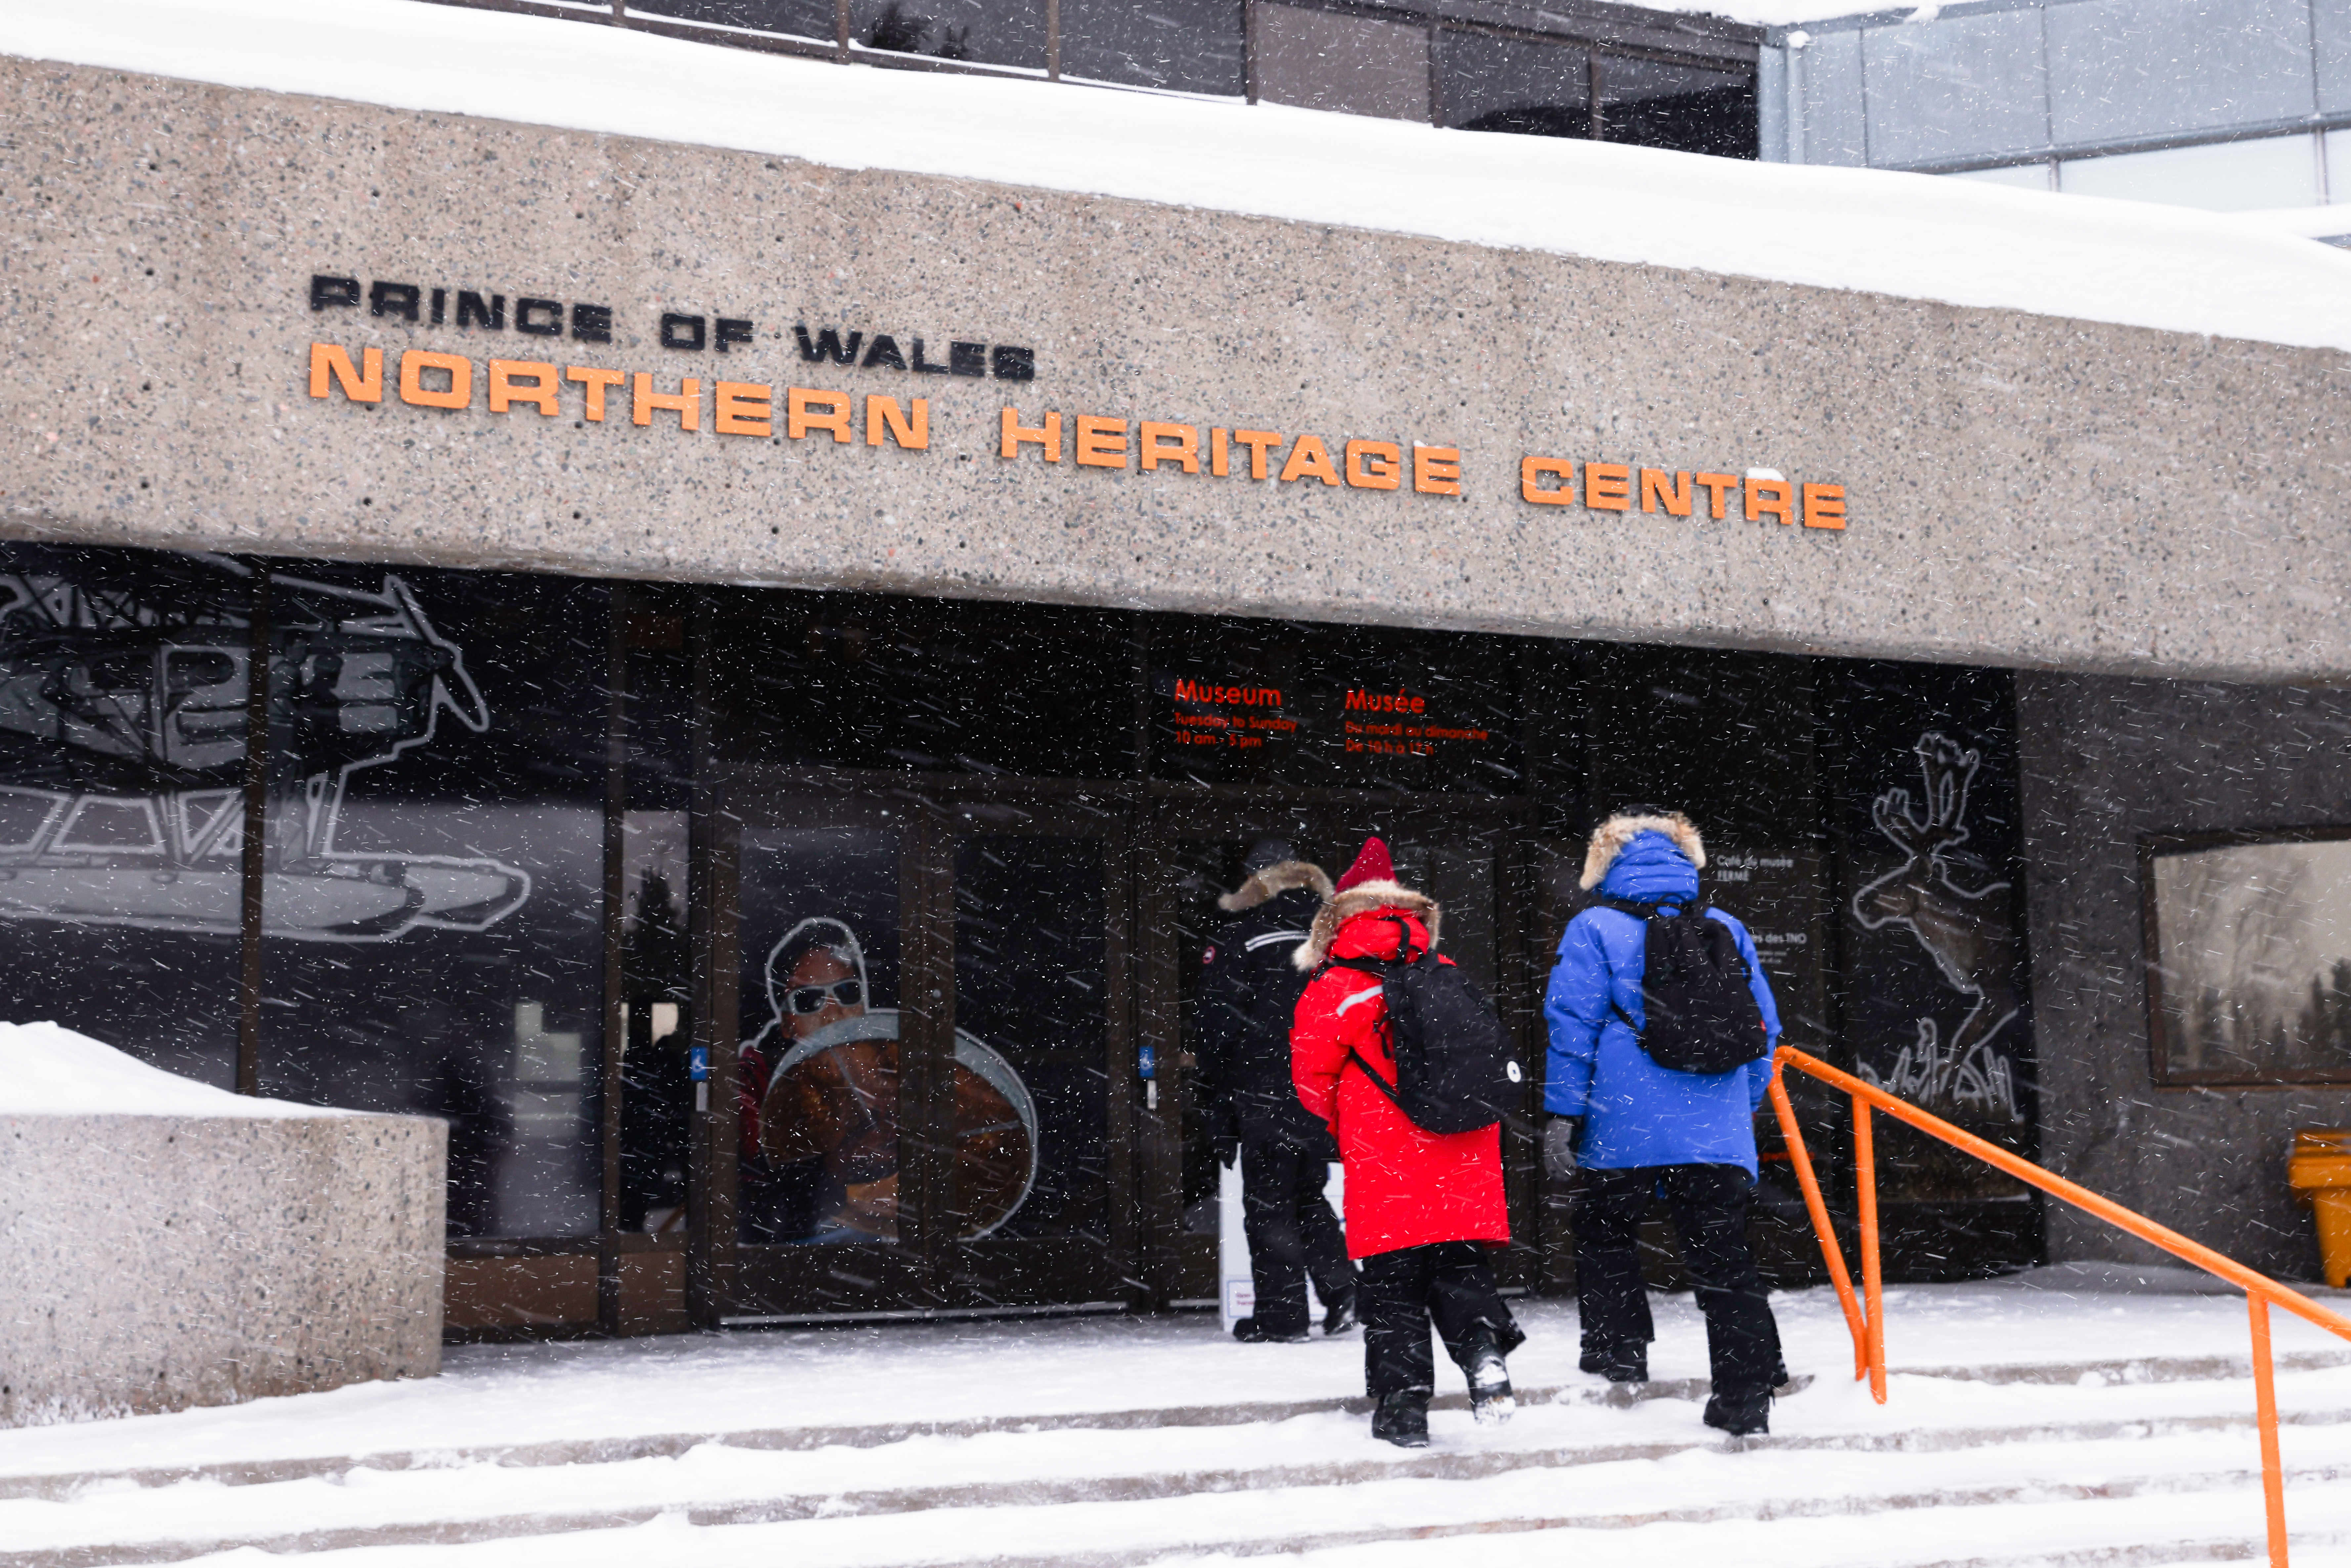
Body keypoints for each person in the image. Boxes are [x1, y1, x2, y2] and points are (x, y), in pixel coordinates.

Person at [1542, 807, 1785, 1437]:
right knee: (1723, 1255)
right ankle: (1747, 1391)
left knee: (1604, 1228)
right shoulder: (1727, 926)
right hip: (1716, 1125)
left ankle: (1618, 1349)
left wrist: (1564, 1112)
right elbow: (1765, 1030)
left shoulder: (1594, 927)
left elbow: (1572, 1028)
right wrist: (1740, 1105)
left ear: (1607, 866)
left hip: (1624, 1119)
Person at [1292, 836, 1520, 1448]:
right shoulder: (1445, 971)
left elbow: (1311, 1079)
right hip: (1463, 1141)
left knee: (1393, 1279)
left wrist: (1344, 1124)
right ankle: (1483, 1351)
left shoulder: (1335, 984)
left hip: (1385, 1147)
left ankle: (1404, 1406)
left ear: (1340, 918)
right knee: (1458, 1261)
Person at [1199, 839, 1356, 1343]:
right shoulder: (1333, 935)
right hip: (1321, 1087)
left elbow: (1218, 1023)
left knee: (1270, 1202)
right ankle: (1344, 1291)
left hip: (1263, 1088)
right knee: (1306, 1194)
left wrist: (1213, 1083)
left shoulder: (1244, 934)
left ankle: (1283, 1317)